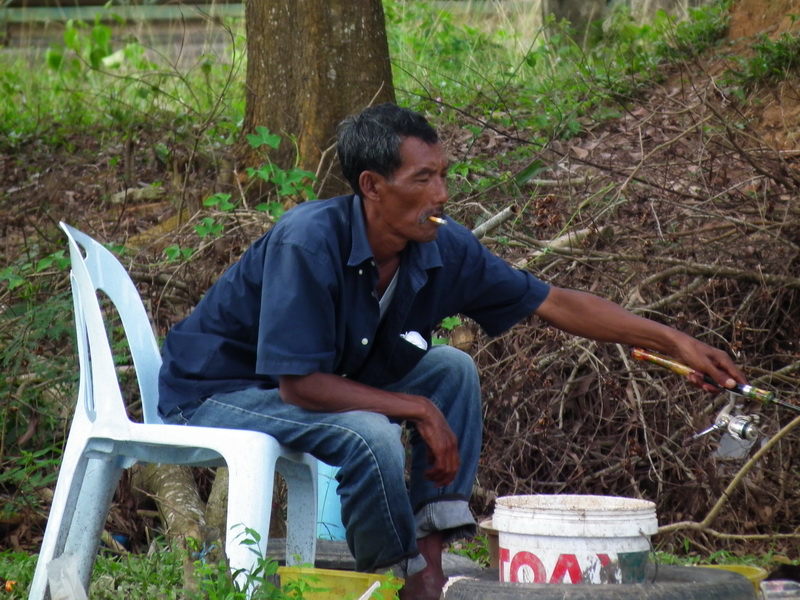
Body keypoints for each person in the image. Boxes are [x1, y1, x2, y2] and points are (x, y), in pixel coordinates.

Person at [158, 103, 745, 599]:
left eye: (443, 175)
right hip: (216, 395)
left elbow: (555, 302)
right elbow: (299, 386)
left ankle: (428, 566)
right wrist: (414, 410)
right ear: (371, 186)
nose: (440, 193)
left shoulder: (441, 244)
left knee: (451, 370)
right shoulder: (308, 242)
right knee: (373, 431)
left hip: (303, 386)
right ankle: (387, 579)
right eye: (422, 179)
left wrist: (677, 341)